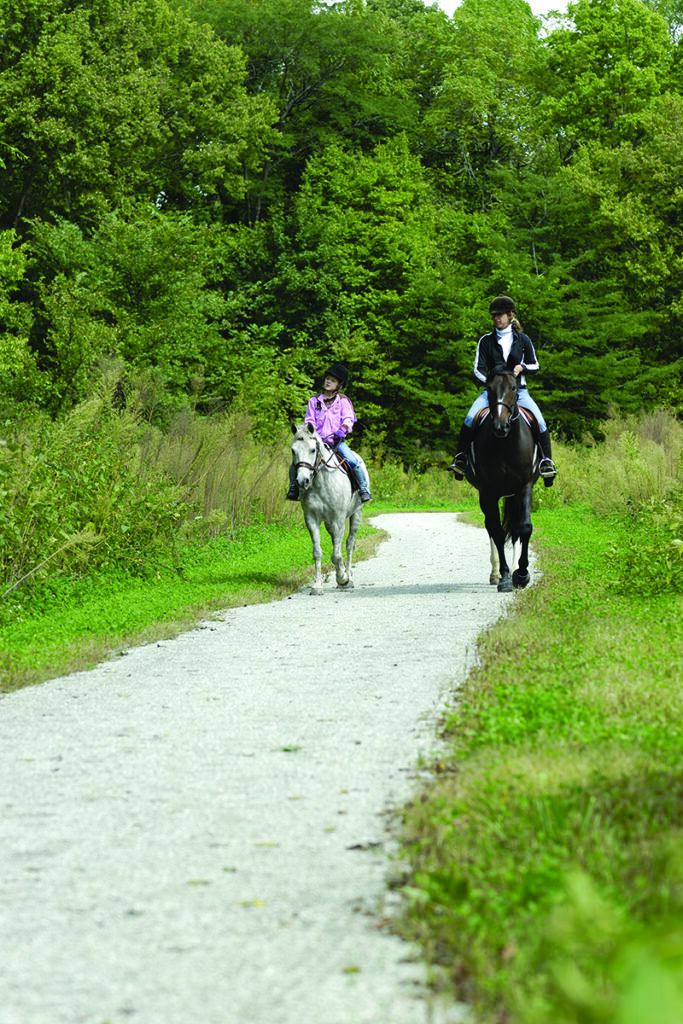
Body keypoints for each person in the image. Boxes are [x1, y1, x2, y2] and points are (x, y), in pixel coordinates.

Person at [449, 295, 557, 487]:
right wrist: (492, 384)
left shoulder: (523, 340)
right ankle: (461, 459)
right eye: (493, 316)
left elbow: (536, 365)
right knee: (469, 417)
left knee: (539, 420)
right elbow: (477, 369)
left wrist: (522, 367)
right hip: (491, 394)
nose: (496, 318)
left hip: (520, 392)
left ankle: (546, 463)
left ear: (509, 315)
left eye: (499, 315)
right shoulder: (485, 341)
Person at [287, 362, 373, 503]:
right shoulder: (314, 401)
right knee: (295, 463)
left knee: (353, 461)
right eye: (327, 379)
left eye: (333, 380)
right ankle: (293, 489)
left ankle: (363, 489)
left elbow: (348, 418)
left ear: (339, 385)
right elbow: (310, 420)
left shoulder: (343, 401)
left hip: (336, 442)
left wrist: (343, 429)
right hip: (316, 442)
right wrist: (311, 433)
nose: (328, 382)